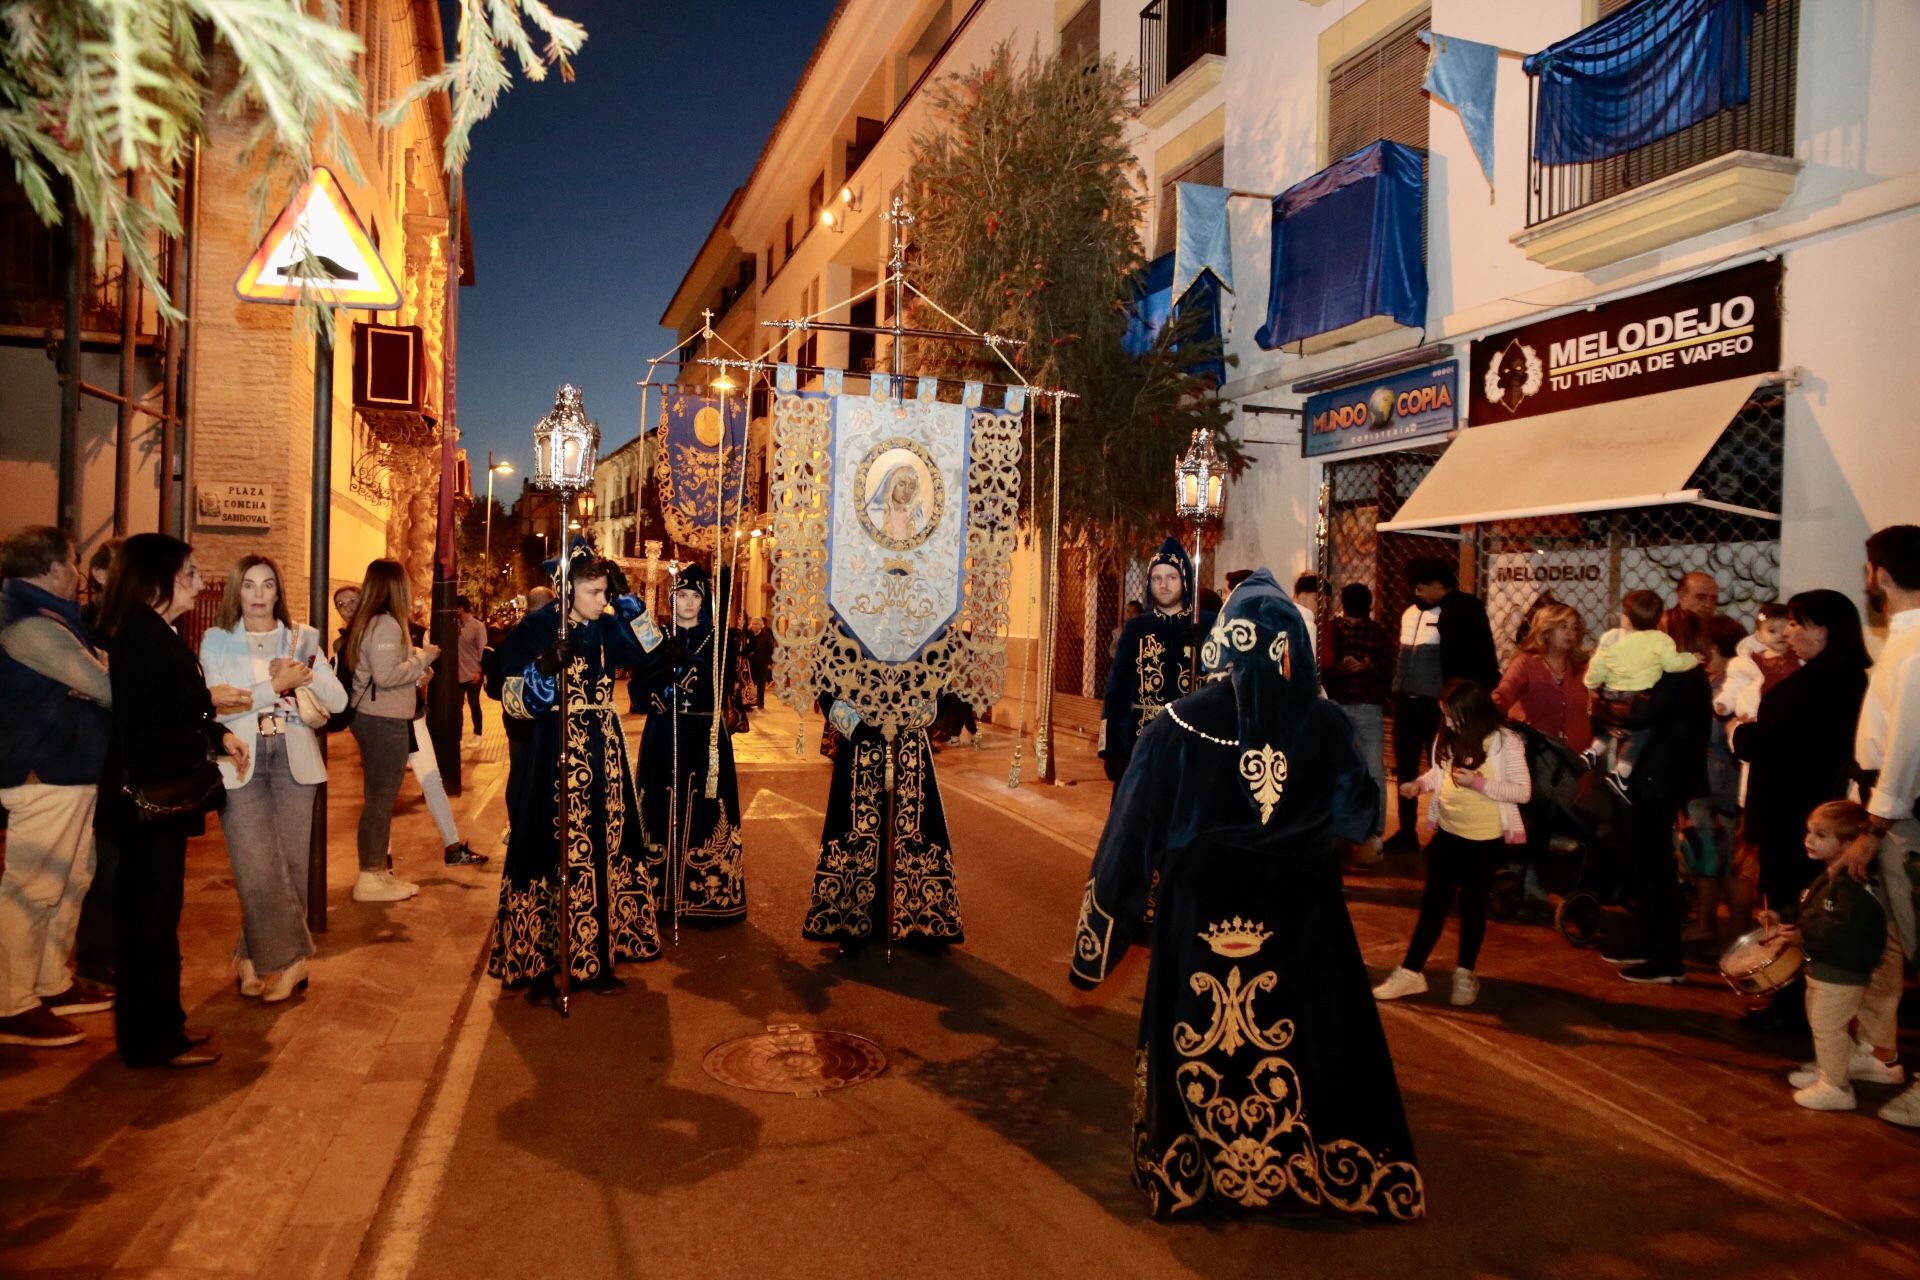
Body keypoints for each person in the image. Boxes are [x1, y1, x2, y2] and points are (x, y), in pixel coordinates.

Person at [1070, 570, 1422, 1221]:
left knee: (1203, 1035)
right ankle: (1309, 1166)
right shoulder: (1326, 725)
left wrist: (1098, 941)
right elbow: (1360, 821)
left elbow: (1131, 834)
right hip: (1303, 910)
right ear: (1293, 645)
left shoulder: (1175, 726)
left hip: (1199, 909)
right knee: (1307, 1033)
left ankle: (1198, 1172)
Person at [95, 534, 246, 1067]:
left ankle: (165, 1025)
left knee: (158, 916)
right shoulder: (140, 633)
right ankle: (152, 1040)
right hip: (146, 802)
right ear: (159, 579)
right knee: (149, 921)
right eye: (189, 573)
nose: (199, 582)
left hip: (159, 802)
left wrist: (214, 728)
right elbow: (142, 712)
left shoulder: (156, 630)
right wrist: (207, 705)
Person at [490, 553, 662, 1001]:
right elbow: (507, 696)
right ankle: (544, 965)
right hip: (553, 750)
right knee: (552, 850)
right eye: (595, 592)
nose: (601, 600)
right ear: (568, 590)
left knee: (606, 847)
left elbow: (650, 650)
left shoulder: (606, 626)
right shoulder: (536, 628)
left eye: (606, 592)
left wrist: (629, 603)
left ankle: (600, 956)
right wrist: (543, 670)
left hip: (603, 750)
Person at [199, 555, 346, 1003]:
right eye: (249, 586)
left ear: (279, 591)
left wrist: (307, 676)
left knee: (290, 867)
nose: (259, 595)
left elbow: (337, 702)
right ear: (235, 592)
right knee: (255, 864)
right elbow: (219, 707)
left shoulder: (301, 638)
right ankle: (290, 960)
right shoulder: (217, 639)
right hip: (241, 757)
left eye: (267, 586)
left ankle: (252, 957)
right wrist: (276, 686)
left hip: (294, 756)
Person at [0, 527, 114, 1048]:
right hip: (44, 772)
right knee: (32, 889)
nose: (78, 571)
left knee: (71, 882)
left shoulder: (54, 620)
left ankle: (50, 982)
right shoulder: (30, 625)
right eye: (72, 561)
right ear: (49, 568)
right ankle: (11, 1003)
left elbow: (92, 679)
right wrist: (90, 686)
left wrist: (88, 684)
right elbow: (105, 687)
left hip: (72, 769)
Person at [1373, 678, 1530, 1008]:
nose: (1449, 723)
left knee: (1473, 906)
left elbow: (1522, 792)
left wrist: (1479, 783)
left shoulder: (1505, 743)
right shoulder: (1448, 736)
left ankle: (1465, 972)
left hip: (1484, 839)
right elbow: (1439, 773)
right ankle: (1411, 971)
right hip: (1448, 833)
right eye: (1445, 716)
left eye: (1454, 717)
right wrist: (1419, 785)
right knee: (1433, 905)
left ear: (1474, 713)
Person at [1841, 524, 1920, 1128]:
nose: (1866, 579)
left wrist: (1873, 823)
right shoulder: (1901, 640)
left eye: (1868, 569)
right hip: (1886, 812)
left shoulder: (1917, 647)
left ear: (1882, 575)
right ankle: (1879, 1052)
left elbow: (1905, 749)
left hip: (1902, 821)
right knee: (1888, 944)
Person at [1589, 611, 1714, 984]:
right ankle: (1650, 943)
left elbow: (1636, 715)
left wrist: (1603, 705)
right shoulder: (1682, 676)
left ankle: (1666, 960)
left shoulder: (1678, 677)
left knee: (1656, 869)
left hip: (1656, 781)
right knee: (1645, 867)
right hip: (1652, 779)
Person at [1729, 590, 1871, 916]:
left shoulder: (1823, 680)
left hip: (1796, 813)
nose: (1788, 633)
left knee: (1789, 907)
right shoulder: (1839, 675)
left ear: (1822, 629)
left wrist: (1738, 732)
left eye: (1795, 624)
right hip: (1804, 808)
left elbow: (1780, 739)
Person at [334, 579, 485, 872]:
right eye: (341, 604)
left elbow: (399, 671)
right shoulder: (347, 642)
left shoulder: (387, 628)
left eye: (353, 600)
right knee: (381, 793)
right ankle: (382, 861)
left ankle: (451, 846)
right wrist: (419, 667)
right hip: (380, 722)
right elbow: (379, 677)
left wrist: (421, 672)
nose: (348, 608)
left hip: (410, 717)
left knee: (429, 780)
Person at [631, 563, 746, 926]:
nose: (689, 603)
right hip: (664, 733)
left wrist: (692, 663)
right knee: (662, 805)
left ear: (705, 600)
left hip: (704, 736)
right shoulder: (657, 636)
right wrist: (662, 688)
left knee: (705, 811)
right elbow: (638, 686)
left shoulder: (719, 638)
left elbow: (722, 683)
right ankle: (659, 893)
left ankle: (704, 897)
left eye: (696, 596)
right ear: (672, 597)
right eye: (682, 595)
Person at [1783, 800, 1905, 1111]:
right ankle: (1833, 1069)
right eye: (1809, 832)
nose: (1809, 840)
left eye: (1821, 835)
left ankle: (1836, 1087)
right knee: (1823, 1025)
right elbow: (1813, 909)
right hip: (1825, 969)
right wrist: (1786, 917)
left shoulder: (1854, 887)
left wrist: (1804, 935)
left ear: (1851, 845)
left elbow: (1845, 931)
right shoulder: (1835, 876)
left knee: (1828, 1028)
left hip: (1841, 973)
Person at [343, 560, 441, 903]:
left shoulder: (372, 621)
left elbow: (382, 674)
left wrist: (414, 674)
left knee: (379, 800)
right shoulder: (385, 624)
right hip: (383, 721)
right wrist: (423, 659)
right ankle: (369, 877)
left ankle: (377, 873)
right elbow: (384, 676)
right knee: (380, 801)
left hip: (379, 716)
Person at [1389, 557, 1499, 850]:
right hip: (1407, 702)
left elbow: (1462, 662)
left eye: (1422, 587)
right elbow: (1403, 657)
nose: (1417, 593)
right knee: (1407, 766)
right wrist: (1397, 690)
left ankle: (1442, 832)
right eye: (1414, 587)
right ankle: (1406, 829)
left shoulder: (1457, 612)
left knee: (1442, 766)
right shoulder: (1412, 613)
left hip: (1437, 704)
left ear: (1440, 585)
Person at [1100, 539, 1202, 783]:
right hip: (1143, 742)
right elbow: (1117, 690)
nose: (1163, 585)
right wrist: (1111, 747)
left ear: (1185, 580)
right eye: (1157, 578)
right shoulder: (1136, 628)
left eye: (1171, 577)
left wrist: (1208, 647)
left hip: (1193, 743)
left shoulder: (1203, 624)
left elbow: (1221, 686)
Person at [1583, 589, 1700, 799]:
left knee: (1612, 723)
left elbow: (1597, 665)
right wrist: (1692, 659)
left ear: (1627, 619)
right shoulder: (1660, 640)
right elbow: (1674, 664)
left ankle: (1592, 752)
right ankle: (1622, 773)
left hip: (1610, 694)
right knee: (1640, 732)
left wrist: (1591, 684)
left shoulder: (1612, 637)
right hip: (1637, 700)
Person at [71, 537, 122, 990]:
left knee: (124, 860)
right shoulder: (88, 623)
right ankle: (94, 956)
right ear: (102, 575)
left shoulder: (138, 620)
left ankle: (116, 951)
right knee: (103, 862)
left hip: (126, 752)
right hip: (99, 753)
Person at [1325, 582, 1395, 859]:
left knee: (1338, 768)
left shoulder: (1332, 629)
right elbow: (1389, 668)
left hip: (1339, 704)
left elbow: (1323, 667)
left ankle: (1340, 827)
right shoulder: (1377, 631)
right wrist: (1368, 666)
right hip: (1368, 705)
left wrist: (1344, 667)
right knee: (1374, 770)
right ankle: (1373, 829)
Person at [495, 585, 554, 847]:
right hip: (534, 718)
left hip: (515, 718)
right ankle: (528, 827)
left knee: (519, 771)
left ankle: (517, 825)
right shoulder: (537, 633)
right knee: (530, 773)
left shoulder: (514, 632)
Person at [1491, 600, 1592, 753]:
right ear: (1546, 631)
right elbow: (1505, 692)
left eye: (1574, 628)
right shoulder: (1525, 663)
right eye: (1563, 626)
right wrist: (1485, 709)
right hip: (1537, 754)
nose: (1570, 632)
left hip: (1575, 758)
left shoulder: (1582, 667)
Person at [456, 595, 488, 737]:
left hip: (473, 673)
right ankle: (458, 736)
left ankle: (478, 733)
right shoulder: (455, 625)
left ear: (461, 608)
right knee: (457, 706)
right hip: (457, 674)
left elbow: (483, 649)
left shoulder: (477, 626)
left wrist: (480, 671)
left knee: (474, 703)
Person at [1663, 570, 1720, 635]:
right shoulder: (1664, 626)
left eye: (1713, 599)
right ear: (1682, 596)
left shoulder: (1718, 632)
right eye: (1701, 598)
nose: (1708, 605)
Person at [1292, 571, 1322, 658]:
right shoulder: (1307, 625)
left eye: (1326, 601)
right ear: (1302, 597)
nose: (1323, 606)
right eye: (1317, 599)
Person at [749, 616, 775, 709]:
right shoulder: (749, 634)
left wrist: (770, 662)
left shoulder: (766, 635)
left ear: (761, 625)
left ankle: (760, 703)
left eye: (756, 624)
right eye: (752, 623)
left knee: (761, 683)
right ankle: (750, 701)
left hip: (762, 663)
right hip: (750, 663)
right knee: (751, 682)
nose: (753, 626)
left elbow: (770, 649)